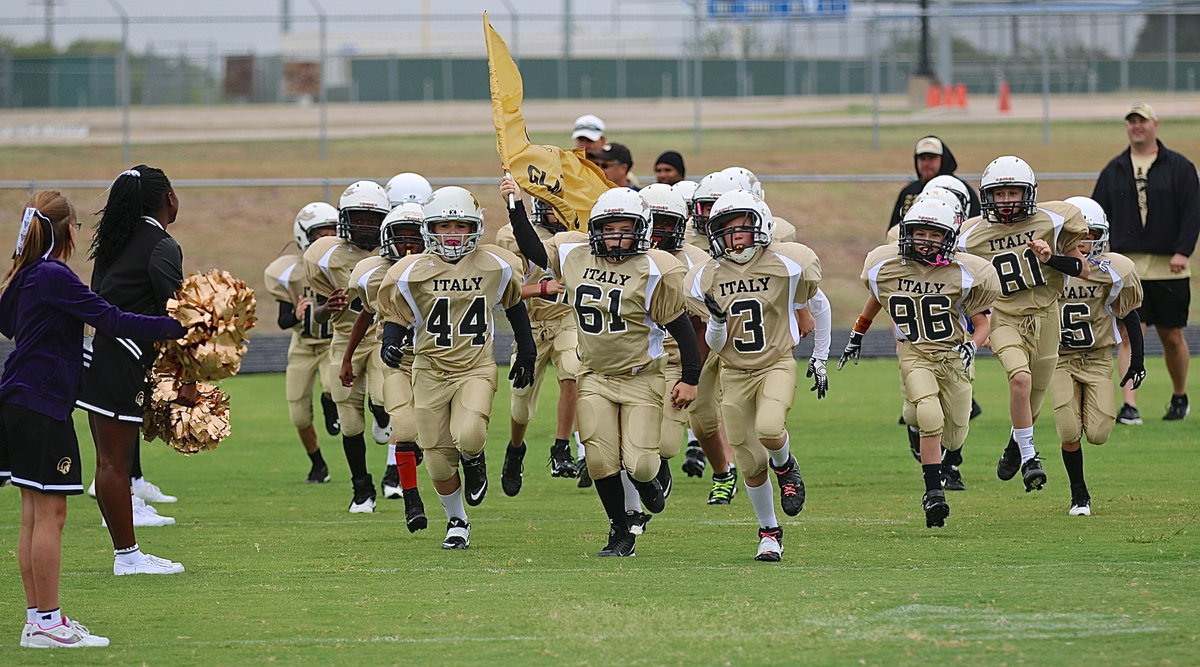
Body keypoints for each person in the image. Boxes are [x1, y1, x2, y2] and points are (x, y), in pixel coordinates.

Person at [2, 192, 186, 648]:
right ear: (66, 230)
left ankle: (37, 620)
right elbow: (111, 318)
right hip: (42, 404)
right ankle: (46, 622)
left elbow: (8, 322)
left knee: (33, 515)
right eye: (77, 227)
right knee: (51, 515)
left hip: (20, 399)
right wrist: (178, 325)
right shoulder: (52, 275)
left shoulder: (26, 274)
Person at [508, 181, 700, 557]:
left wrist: (690, 379)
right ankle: (619, 530)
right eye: (608, 229)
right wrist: (514, 204)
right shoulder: (575, 254)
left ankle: (647, 483)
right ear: (594, 230)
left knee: (642, 464)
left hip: (642, 377)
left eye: (625, 229)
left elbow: (681, 327)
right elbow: (533, 250)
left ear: (641, 231)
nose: (615, 238)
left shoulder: (655, 269)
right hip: (594, 375)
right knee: (598, 460)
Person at [377, 186, 535, 550]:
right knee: (436, 460)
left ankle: (474, 460)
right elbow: (396, 315)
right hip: (429, 369)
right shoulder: (408, 271)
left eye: (460, 226)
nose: (452, 234)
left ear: (474, 228)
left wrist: (526, 351)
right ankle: (457, 520)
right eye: (444, 226)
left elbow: (513, 305)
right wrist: (390, 341)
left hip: (474, 366)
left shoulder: (496, 264)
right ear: (430, 229)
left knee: (470, 434)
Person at [840, 198, 998, 528]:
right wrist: (857, 334)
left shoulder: (965, 274)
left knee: (954, 437)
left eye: (933, 233)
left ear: (949, 237)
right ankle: (933, 493)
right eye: (919, 232)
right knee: (928, 415)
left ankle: (939, 451)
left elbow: (982, 323)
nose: (925, 239)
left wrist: (973, 344)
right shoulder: (887, 267)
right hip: (916, 354)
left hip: (953, 357)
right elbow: (877, 301)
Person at [686, 189, 822, 561]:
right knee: (748, 461)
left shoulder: (789, 263)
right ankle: (769, 532)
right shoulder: (707, 275)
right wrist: (715, 318)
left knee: (770, 427)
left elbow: (813, 302)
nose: (733, 237)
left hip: (775, 362)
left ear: (760, 225)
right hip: (733, 371)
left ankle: (786, 465)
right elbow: (715, 341)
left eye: (740, 228)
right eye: (725, 230)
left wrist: (820, 353)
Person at [76, 166, 190, 575]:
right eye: (173, 192)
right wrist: (190, 370)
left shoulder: (112, 240)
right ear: (166, 200)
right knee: (114, 465)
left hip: (101, 355)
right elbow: (176, 310)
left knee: (108, 463)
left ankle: (127, 554)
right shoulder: (160, 244)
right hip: (123, 359)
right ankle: (128, 557)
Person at [956, 156, 1089, 493]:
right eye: (998, 194)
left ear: (1027, 193)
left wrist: (1051, 257)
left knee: (1035, 395)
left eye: (1012, 192)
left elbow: (1080, 269)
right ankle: (1030, 457)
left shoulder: (1054, 221)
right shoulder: (971, 234)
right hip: (1003, 316)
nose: (1005, 201)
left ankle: (1017, 442)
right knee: (1020, 378)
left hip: (1046, 314)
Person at [1092, 102, 1199, 423]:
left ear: (1155, 124)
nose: (1137, 126)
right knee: (1128, 334)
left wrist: (1183, 250)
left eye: (1142, 121)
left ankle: (1179, 396)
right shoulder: (1114, 169)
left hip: (1170, 267)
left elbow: (1193, 211)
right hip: (1128, 268)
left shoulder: (1179, 167)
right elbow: (1096, 214)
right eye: (1131, 121)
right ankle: (1130, 405)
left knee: (1172, 337)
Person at [1052, 196, 1145, 516]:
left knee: (1099, 433)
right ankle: (1079, 494)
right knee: (1067, 428)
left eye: (1090, 234)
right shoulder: (1049, 267)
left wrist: (1138, 359)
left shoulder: (1113, 269)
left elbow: (1128, 312)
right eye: (1078, 235)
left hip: (1097, 358)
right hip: (1060, 358)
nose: (1085, 241)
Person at [341, 203, 430, 532]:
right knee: (395, 417)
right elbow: (365, 313)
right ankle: (408, 496)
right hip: (393, 353)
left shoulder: (445, 267)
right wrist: (348, 356)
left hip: (439, 357)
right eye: (400, 235)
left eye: (414, 235)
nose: (408, 242)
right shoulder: (370, 271)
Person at [304, 180, 390, 513]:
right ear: (345, 218)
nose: (366, 226)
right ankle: (362, 489)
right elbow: (318, 316)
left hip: (383, 334)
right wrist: (328, 307)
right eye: (359, 218)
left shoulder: (394, 247)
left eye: (373, 219)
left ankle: (382, 416)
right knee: (350, 421)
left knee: (384, 398)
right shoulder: (325, 254)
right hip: (345, 338)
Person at [494, 195, 582, 495]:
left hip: (565, 318)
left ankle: (561, 448)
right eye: (552, 208)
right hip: (529, 324)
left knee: (573, 372)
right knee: (520, 404)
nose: (558, 214)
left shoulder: (576, 236)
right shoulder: (510, 235)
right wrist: (540, 288)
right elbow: (507, 291)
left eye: (562, 207)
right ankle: (515, 450)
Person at [263, 202, 342, 484]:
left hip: (334, 342)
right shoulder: (286, 272)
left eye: (332, 233)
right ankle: (318, 464)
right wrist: (297, 315)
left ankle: (329, 402)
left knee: (334, 386)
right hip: (303, 346)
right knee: (298, 415)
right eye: (320, 234)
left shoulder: (344, 267)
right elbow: (283, 321)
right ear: (305, 235)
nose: (326, 240)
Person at [888, 136, 981, 231]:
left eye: (932, 158)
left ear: (944, 159)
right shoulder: (909, 191)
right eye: (922, 158)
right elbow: (894, 231)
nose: (926, 163)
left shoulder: (961, 191)